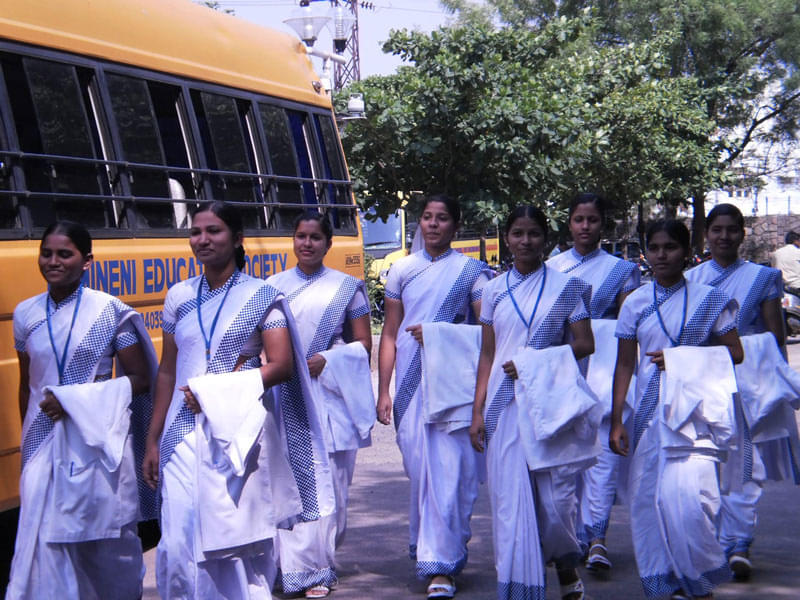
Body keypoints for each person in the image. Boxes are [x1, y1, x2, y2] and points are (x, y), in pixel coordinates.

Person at [142, 201, 333, 599]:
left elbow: (281, 366)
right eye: (196, 232)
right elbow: (166, 370)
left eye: (214, 231)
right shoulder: (178, 297)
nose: (203, 240)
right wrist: (152, 438)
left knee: (233, 543)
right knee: (178, 540)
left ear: (237, 238)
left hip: (236, 435)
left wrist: (216, 391)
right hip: (181, 435)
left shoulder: (262, 296)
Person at [7, 221, 156, 600]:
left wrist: (77, 400)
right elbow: (28, 383)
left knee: (105, 542)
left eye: (64, 254)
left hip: (96, 444)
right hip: (43, 444)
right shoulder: (25, 314)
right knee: (44, 542)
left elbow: (139, 378)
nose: (53, 261)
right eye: (46, 253)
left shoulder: (109, 312)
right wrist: (30, 443)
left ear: (87, 260)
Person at [610, 219, 744, 600]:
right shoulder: (634, 302)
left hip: (695, 417)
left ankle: (698, 579)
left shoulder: (708, 298)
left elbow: (736, 352)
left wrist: (682, 359)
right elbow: (623, 364)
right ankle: (661, 581)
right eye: (655, 248)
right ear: (645, 252)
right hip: (648, 417)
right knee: (647, 500)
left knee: (690, 504)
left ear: (686, 251)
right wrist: (617, 418)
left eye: (670, 247)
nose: (662, 255)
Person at [470, 205, 597, 600]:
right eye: (518, 233)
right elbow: (487, 354)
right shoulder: (492, 290)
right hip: (504, 406)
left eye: (534, 234)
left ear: (546, 238)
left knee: (556, 500)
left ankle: (563, 562)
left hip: (550, 401)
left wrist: (532, 364)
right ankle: (520, 587)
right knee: (510, 502)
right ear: (505, 238)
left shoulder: (566, 287)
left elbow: (585, 343)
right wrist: (477, 410)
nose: (526, 242)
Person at [377, 194, 493, 599]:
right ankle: (432, 551)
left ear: (456, 226)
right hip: (410, 387)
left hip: (454, 388)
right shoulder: (401, 271)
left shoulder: (473, 273)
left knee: (451, 474)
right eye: (426, 217)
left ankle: (441, 564)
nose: (432, 224)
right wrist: (384, 391)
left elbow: (488, 334)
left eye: (442, 218)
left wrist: (440, 334)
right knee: (422, 472)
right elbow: (390, 333)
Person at [686, 203, 797, 580]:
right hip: (703, 378)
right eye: (716, 230)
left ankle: (739, 542)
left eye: (732, 229)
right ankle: (714, 540)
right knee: (709, 461)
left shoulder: (763, 277)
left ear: (742, 234)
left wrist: (776, 380)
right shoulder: (692, 279)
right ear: (706, 234)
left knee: (747, 461)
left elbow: (773, 334)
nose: (724, 237)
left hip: (748, 381)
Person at [269, 213, 373, 599]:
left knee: (333, 484)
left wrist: (329, 359)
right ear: (292, 241)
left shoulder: (349, 288)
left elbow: (363, 343)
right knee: (289, 480)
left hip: (330, 396)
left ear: (329, 244)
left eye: (315, 238)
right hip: (287, 394)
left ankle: (320, 562)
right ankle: (299, 569)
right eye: (301, 236)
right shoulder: (272, 288)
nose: (307, 244)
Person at [547, 193, 641, 573]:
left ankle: (597, 538)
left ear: (604, 224)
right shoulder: (552, 268)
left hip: (605, 369)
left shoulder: (622, 270)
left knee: (602, 456)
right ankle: (569, 538)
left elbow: (631, 323)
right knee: (567, 459)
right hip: (563, 370)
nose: (585, 227)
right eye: (578, 220)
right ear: (568, 224)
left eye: (593, 220)